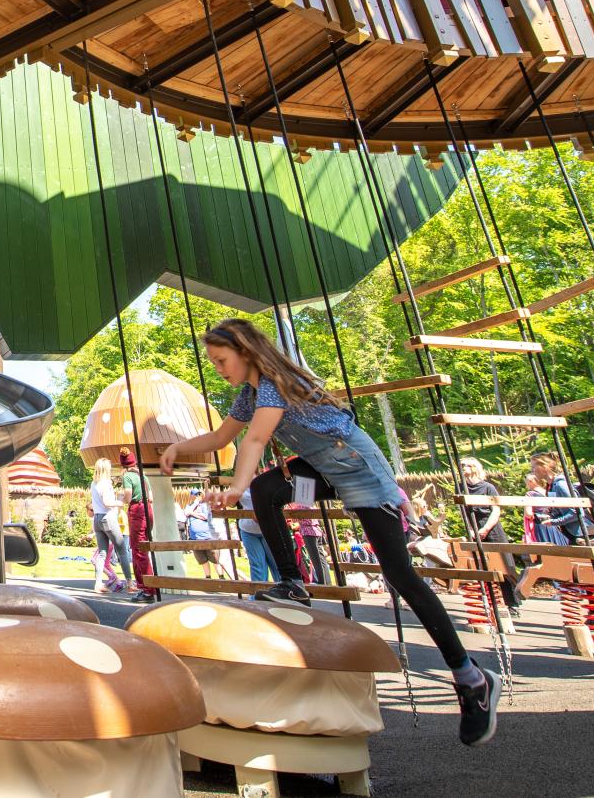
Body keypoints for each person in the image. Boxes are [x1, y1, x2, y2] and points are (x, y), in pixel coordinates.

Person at [159, 318, 498, 747]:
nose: (218, 368)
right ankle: (293, 581)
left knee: (400, 575)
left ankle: (470, 678)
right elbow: (223, 436)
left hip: (357, 468)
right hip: (321, 470)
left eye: (221, 359)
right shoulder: (250, 392)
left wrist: (237, 486)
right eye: (214, 362)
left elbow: (255, 441)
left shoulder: (275, 385)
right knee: (268, 489)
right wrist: (177, 448)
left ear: (245, 351)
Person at [458, 458, 523, 617]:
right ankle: (491, 601)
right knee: (482, 566)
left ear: (474, 467)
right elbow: (462, 511)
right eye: (461, 466)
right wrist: (471, 529)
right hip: (474, 527)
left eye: (466, 465)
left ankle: (512, 603)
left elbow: (496, 510)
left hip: (491, 528)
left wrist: (485, 528)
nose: (463, 468)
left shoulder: (488, 487)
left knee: (503, 565)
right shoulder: (461, 487)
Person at [88, 458, 131, 592]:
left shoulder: (93, 483)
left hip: (97, 519)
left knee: (102, 553)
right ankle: (130, 583)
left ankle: (98, 583)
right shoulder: (106, 483)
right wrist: (119, 503)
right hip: (108, 518)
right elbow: (107, 502)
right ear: (107, 469)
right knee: (122, 551)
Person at [119, 448, 157, 601]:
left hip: (137, 510)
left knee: (138, 550)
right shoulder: (142, 476)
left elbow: (128, 497)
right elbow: (151, 497)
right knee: (145, 547)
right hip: (148, 509)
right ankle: (150, 585)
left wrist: (120, 497)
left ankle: (147, 589)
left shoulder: (127, 476)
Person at [530, 451, 587, 545]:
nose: (532, 470)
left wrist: (554, 522)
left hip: (580, 535)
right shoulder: (551, 486)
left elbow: (577, 512)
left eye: (533, 467)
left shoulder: (561, 485)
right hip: (570, 534)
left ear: (545, 466)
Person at [237, 487, 277, 582]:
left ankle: (283, 593)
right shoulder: (241, 480)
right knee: (257, 565)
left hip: (270, 528)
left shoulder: (268, 475)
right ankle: (258, 594)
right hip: (248, 530)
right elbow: (230, 502)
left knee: (277, 564)